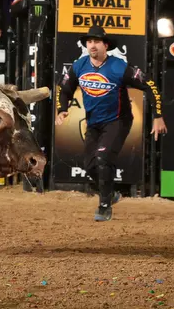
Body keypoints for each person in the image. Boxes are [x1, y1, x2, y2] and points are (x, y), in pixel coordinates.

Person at [56, 26, 168, 222]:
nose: (92, 45)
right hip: (94, 123)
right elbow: (64, 88)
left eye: (97, 41)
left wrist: (158, 116)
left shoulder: (119, 67)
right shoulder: (79, 66)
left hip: (118, 121)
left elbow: (149, 85)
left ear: (105, 45)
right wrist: (61, 109)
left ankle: (104, 205)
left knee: (102, 158)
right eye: (89, 42)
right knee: (89, 165)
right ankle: (111, 194)